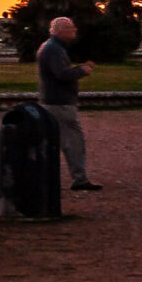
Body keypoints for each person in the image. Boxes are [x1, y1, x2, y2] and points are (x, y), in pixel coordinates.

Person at [38, 15, 101, 192]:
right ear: (61, 31)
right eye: (71, 28)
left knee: (53, 141)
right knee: (74, 141)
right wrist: (82, 70)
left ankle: (40, 176)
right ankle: (79, 179)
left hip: (52, 101)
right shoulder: (55, 50)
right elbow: (62, 74)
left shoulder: (50, 47)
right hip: (60, 103)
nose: (75, 30)